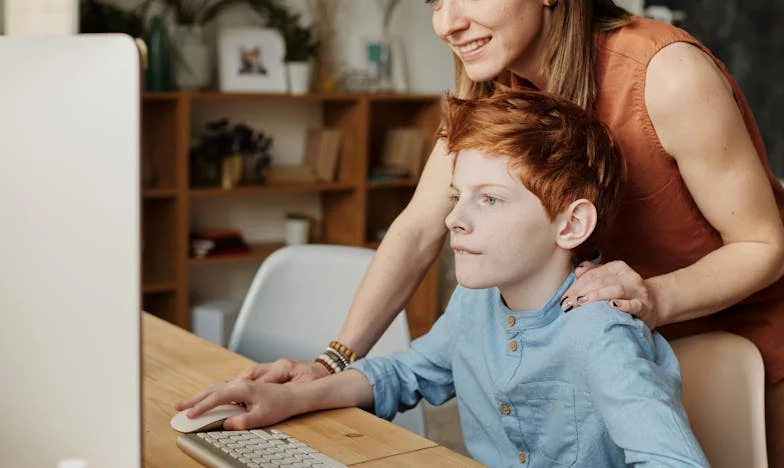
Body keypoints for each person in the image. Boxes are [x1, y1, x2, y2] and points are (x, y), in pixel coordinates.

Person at [185, 1, 784, 463]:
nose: (447, 22)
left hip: (735, 345)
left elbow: (764, 244)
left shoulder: (666, 73)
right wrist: (331, 361)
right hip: (592, 337)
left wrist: (653, 299)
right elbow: (420, 226)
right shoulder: (494, 91)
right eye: (434, 0)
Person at [178, 89, 709, 467]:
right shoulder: (474, 305)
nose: (455, 218)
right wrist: (291, 399)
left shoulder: (600, 334)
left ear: (570, 224)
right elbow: (406, 374)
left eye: (490, 199)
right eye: (457, 197)